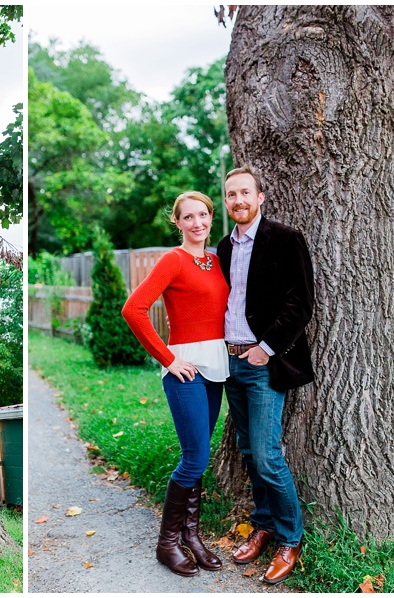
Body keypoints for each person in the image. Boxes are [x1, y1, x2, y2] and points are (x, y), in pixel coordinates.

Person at [122, 191, 229, 577]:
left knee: (199, 455)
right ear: (178, 222)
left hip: (217, 369)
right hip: (186, 370)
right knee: (195, 457)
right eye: (189, 217)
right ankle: (167, 543)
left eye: (203, 215)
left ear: (211, 218)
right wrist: (168, 358)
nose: (197, 223)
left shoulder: (216, 260)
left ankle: (193, 536)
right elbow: (133, 309)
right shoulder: (173, 259)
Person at [217, 166, 314, 585]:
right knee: (249, 452)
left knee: (268, 454)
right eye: (230, 194)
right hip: (229, 364)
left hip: (263, 363)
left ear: (260, 197)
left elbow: (301, 302)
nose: (238, 200)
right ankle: (263, 525)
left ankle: (290, 539)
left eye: (245, 193)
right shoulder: (223, 247)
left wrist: (265, 349)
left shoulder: (285, 239)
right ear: (226, 202)